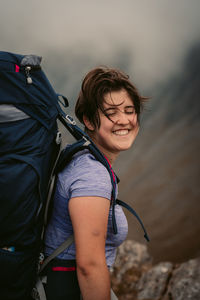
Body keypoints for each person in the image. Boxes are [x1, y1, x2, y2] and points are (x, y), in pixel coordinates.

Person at [44, 66, 146, 300]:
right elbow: (89, 266)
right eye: (111, 112)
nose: (124, 120)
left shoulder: (82, 158)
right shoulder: (91, 175)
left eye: (130, 110)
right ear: (89, 120)